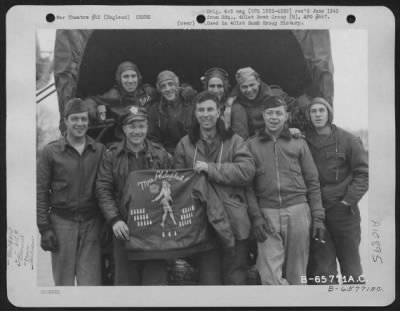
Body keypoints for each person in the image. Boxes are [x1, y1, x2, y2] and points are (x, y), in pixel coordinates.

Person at [174, 91, 256, 285]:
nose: (205, 114)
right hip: (202, 225)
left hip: (234, 221)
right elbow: (177, 183)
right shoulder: (185, 145)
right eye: (201, 110)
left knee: (235, 280)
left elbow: (247, 171)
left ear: (219, 111)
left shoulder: (234, 141)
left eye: (210, 109)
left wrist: (212, 169)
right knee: (209, 283)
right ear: (195, 113)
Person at [246, 95, 325, 285]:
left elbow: (312, 181)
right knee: (269, 277)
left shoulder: (298, 142)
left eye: (278, 113)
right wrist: (256, 217)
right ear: (263, 116)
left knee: (297, 275)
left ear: (286, 116)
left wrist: (318, 218)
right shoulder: (250, 145)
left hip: (298, 211)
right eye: (270, 113)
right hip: (267, 214)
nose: (274, 117)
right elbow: (247, 186)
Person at [96, 106, 173, 285]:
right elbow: (103, 189)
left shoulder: (161, 155)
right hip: (125, 228)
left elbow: (172, 187)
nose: (137, 131)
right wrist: (114, 220)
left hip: (155, 231)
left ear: (147, 127)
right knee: (126, 285)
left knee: (156, 285)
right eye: (132, 126)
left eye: (141, 126)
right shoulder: (112, 156)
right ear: (124, 129)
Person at [37, 98, 105, 286]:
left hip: (91, 223)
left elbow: (105, 189)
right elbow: (41, 192)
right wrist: (44, 228)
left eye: (83, 119)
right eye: (74, 119)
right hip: (61, 223)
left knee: (90, 285)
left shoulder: (98, 150)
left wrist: (106, 222)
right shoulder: (51, 152)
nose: (80, 124)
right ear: (65, 121)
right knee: (63, 285)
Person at [305, 97, 369, 285]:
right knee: (323, 271)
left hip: (344, 213)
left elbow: (363, 174)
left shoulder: (348, 140)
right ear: (308, 115)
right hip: (318, 213)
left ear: (329, 113)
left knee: (352, 268)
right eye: (313, 111)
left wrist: (347, 201)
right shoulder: (303, 141)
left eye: (321, 111)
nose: (317, 115)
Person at [84, 61, 159, 142]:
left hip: (150, 139)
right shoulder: (114, 96)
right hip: (125, 140)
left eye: (133, 76)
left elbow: (163, 95)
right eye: (126, 77)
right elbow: (90, 100)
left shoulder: (148, 91)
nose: (130, 81)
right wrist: (93, 113)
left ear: (138, 77)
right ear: (120, 79)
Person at [230, 67, 305, 140]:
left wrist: (293, 128)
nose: (249, 90)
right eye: (244, 87)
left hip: (282, 140)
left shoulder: (275, 94)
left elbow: (296, 109)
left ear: (258, 82)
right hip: (257, 145)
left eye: (252, 85)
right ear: (239, 87)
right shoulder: (237, 106)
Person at [148, 70, 197, 154]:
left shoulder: (190, 104)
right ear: (160, 90)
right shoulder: (155, 110)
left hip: (191, 152)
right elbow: (153, 138)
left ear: (177, 85)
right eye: (163, 86)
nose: (168, 89)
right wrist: (163, 154)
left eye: (171, 84)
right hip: (167, 155)